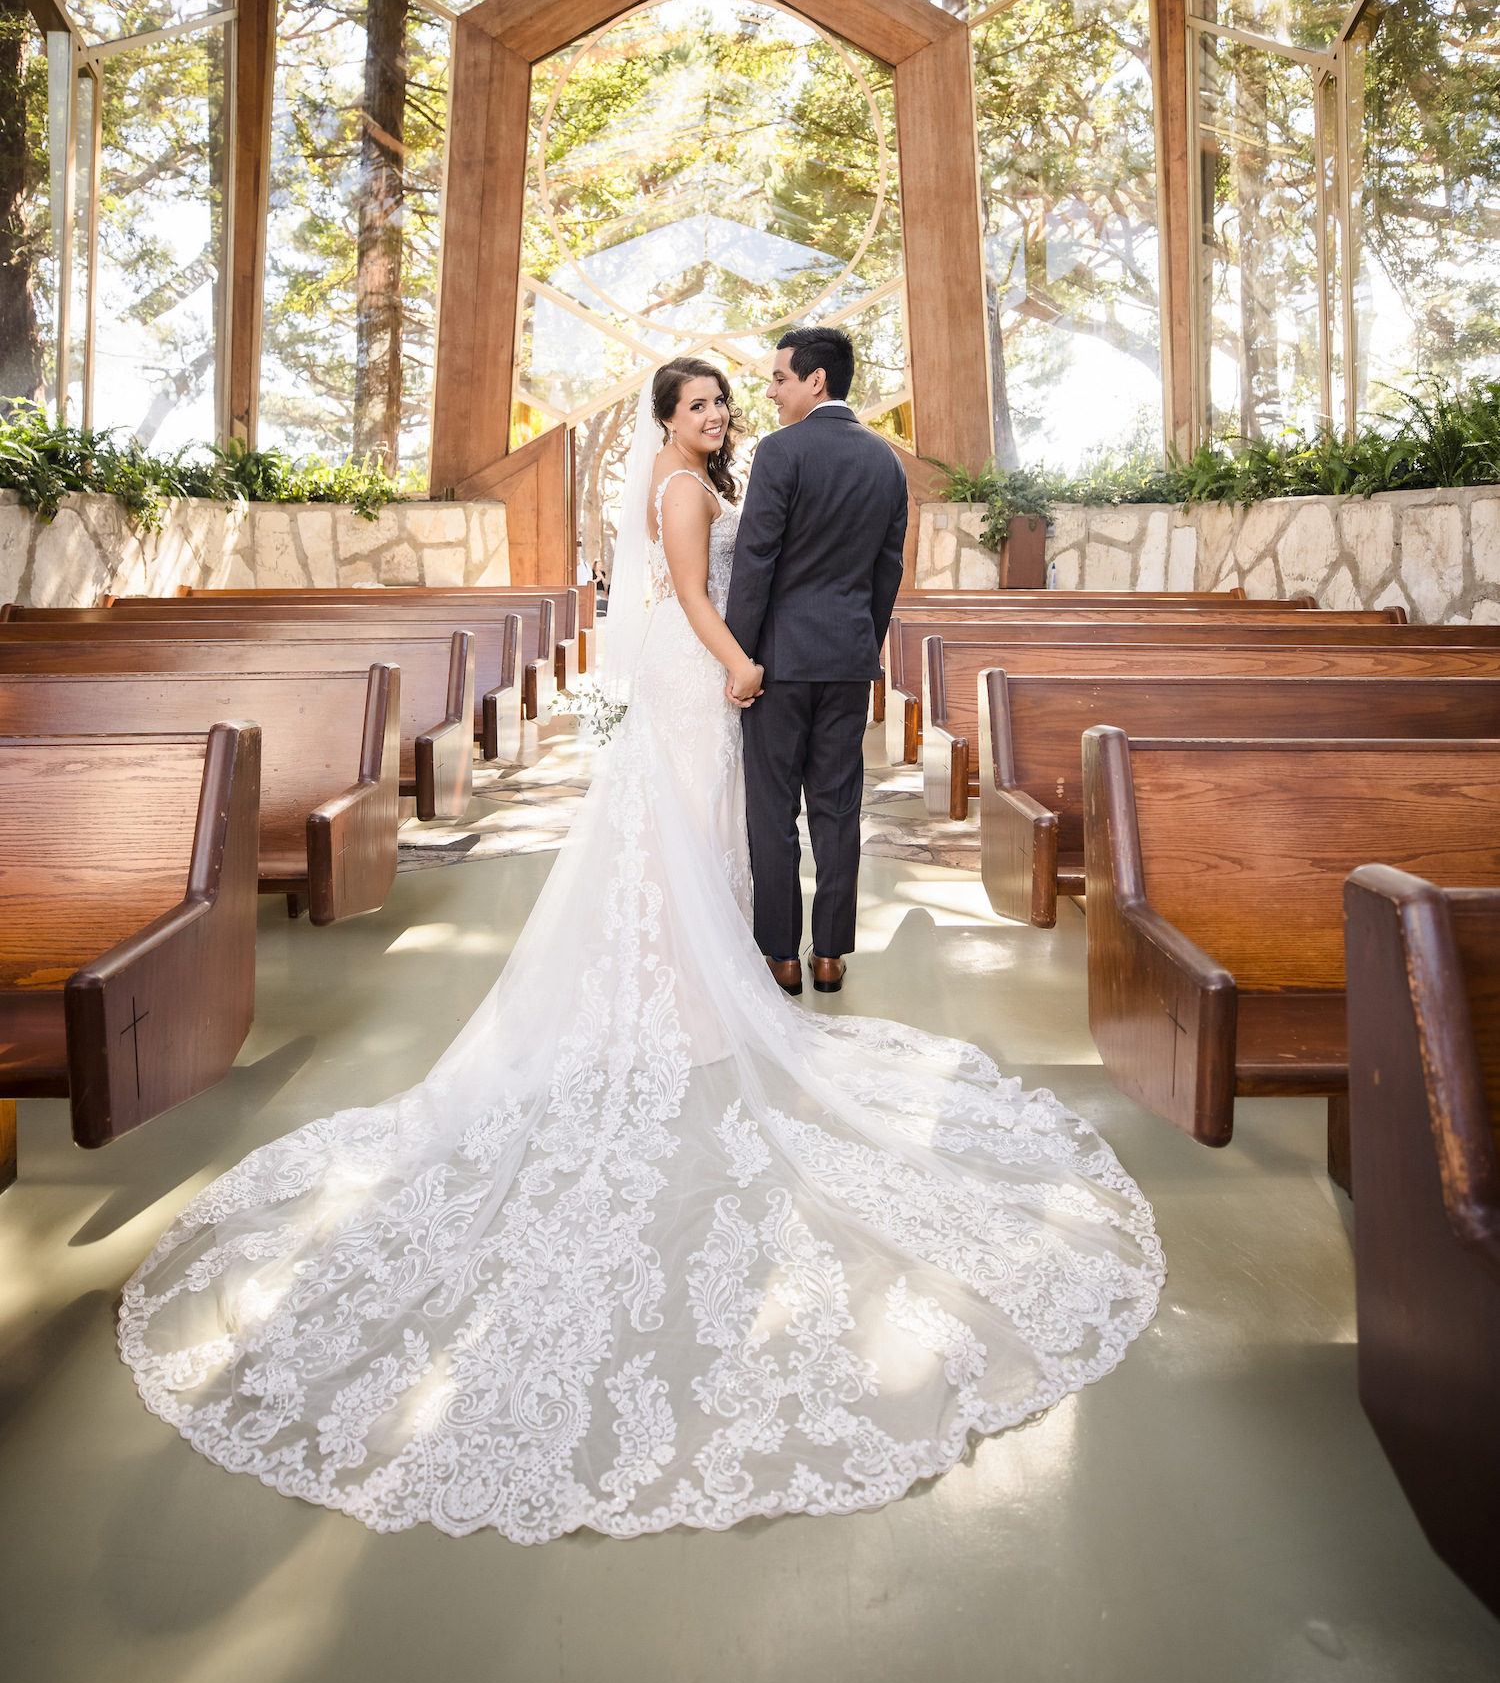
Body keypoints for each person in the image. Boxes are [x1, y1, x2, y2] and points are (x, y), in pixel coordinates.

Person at [119, 351, 1162, 1545]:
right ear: (666, 420)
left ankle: (703, 974)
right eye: (700, 403)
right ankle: (683, 984)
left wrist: (742, 650)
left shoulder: (722, 475)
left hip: (713, 673)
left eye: (727, 398)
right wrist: (733, 661)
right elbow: (694, 591)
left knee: (712, 829)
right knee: (686, 825)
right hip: (694, 673)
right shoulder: (681, 490)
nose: (719, 414)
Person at [724, 326, 907, 994]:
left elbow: (755, 564)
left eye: (779, 378)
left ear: (816, 380)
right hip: (848, 660)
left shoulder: (779, 453)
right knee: (837, 807)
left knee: (771, 808)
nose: (771, 392)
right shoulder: (886, 461)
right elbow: (888, 572)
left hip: (777, 663)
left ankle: (782, 955)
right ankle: (830, 952)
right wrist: (863, 640)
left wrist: (739, 658)